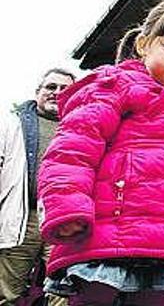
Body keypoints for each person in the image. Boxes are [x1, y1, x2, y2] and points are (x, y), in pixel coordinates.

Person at [37, 0, 164, 306]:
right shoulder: (114, 86)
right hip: (108, 236)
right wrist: (66, 206)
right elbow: (73, 150)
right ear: (145, 44)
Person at [0, 68, 75, 305]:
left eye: (65, 89)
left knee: (64, 291)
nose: (57, 93)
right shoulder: (12, 124)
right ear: (38, 92)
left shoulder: (82, 126)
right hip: (22, 217)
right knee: (7, 290)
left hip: (64, 219)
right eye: (51, 87)